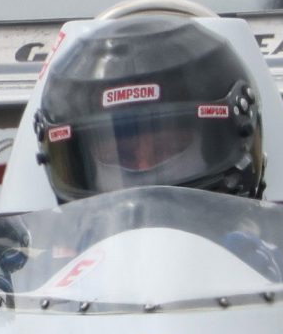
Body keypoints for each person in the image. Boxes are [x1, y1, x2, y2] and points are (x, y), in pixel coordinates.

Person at [34, 16, 266, 202]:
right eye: (119, 156)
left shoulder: (279, 256)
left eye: (166, 148)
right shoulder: (41, 260)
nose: (144, 170)